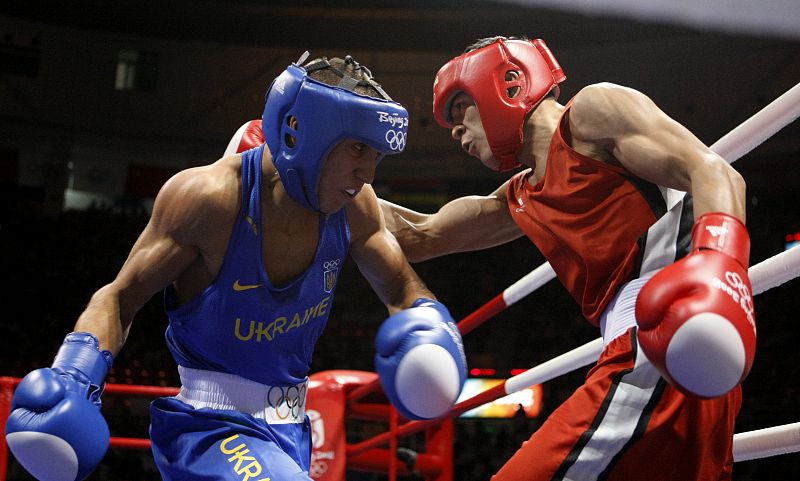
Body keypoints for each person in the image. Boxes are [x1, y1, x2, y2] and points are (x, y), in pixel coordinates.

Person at [5, 52, 467, 481]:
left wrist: (426, 324)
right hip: (207, 426)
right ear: (302, 133)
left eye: (377, 157)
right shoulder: (208, 199)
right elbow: (122, 296)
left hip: (291, 430)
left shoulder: (355, 207)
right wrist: (75, 373)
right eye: (358, 152)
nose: (368, 175)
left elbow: (401, 287)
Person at [379, 37, 757, 480]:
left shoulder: (591, 114)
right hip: (656, 360)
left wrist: (719, 267)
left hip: (664, 342)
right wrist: (321, 174)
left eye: (460, 107)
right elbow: (419, 235)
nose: (455, 129)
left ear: (509, 83)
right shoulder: (519, 196)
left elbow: (714, 171)